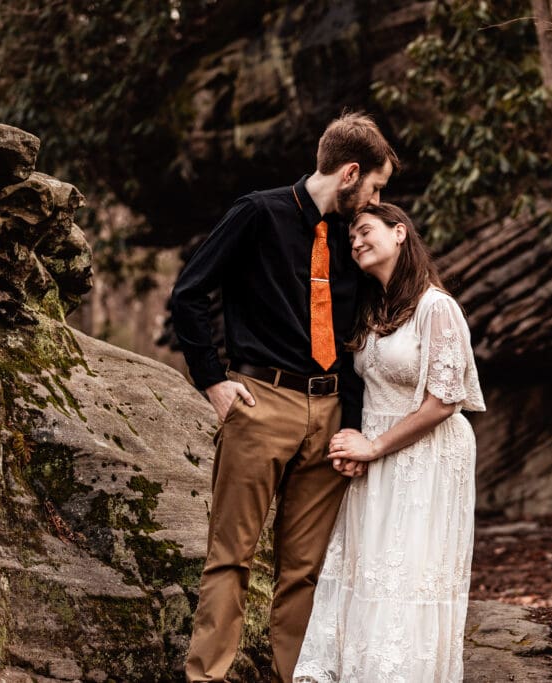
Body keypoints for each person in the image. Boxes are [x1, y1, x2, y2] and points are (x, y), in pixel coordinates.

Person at [170, 112, 399, 683]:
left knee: (305, 571)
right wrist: (215, 382)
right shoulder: (257, 213)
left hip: (329, 416)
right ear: (350, 173)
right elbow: (190, 293)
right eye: (374, 186)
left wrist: (352, 422)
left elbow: (351, 336)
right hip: (260, 403)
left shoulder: (351, 241)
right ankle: (207, 678)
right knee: (231, 558)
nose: (374, 199)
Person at [293, 203, 485, 682]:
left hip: (429, 458)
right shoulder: (375, 307)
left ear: (400, 233)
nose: (355, 242)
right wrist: (358, 444)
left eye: (365, 231)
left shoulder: (435, 307)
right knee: (369, 572)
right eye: (351, 236)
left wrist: (374, 447)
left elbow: (445, 400)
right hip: (377, 459)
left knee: (406, 576)